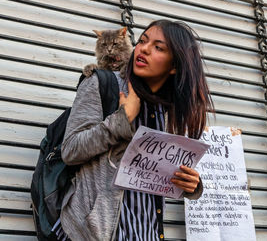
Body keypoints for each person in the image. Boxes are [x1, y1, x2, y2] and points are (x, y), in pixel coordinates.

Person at [54, 19, 213, 241]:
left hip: (145, 232)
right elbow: (70, 150)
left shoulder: (168, 109)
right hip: (93, 232)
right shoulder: (101, 84)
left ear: (174, 65)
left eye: (158, 47)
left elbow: (158, 170)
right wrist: (122, 120)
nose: (144, 49)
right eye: (143, 41)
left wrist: (191, 185)